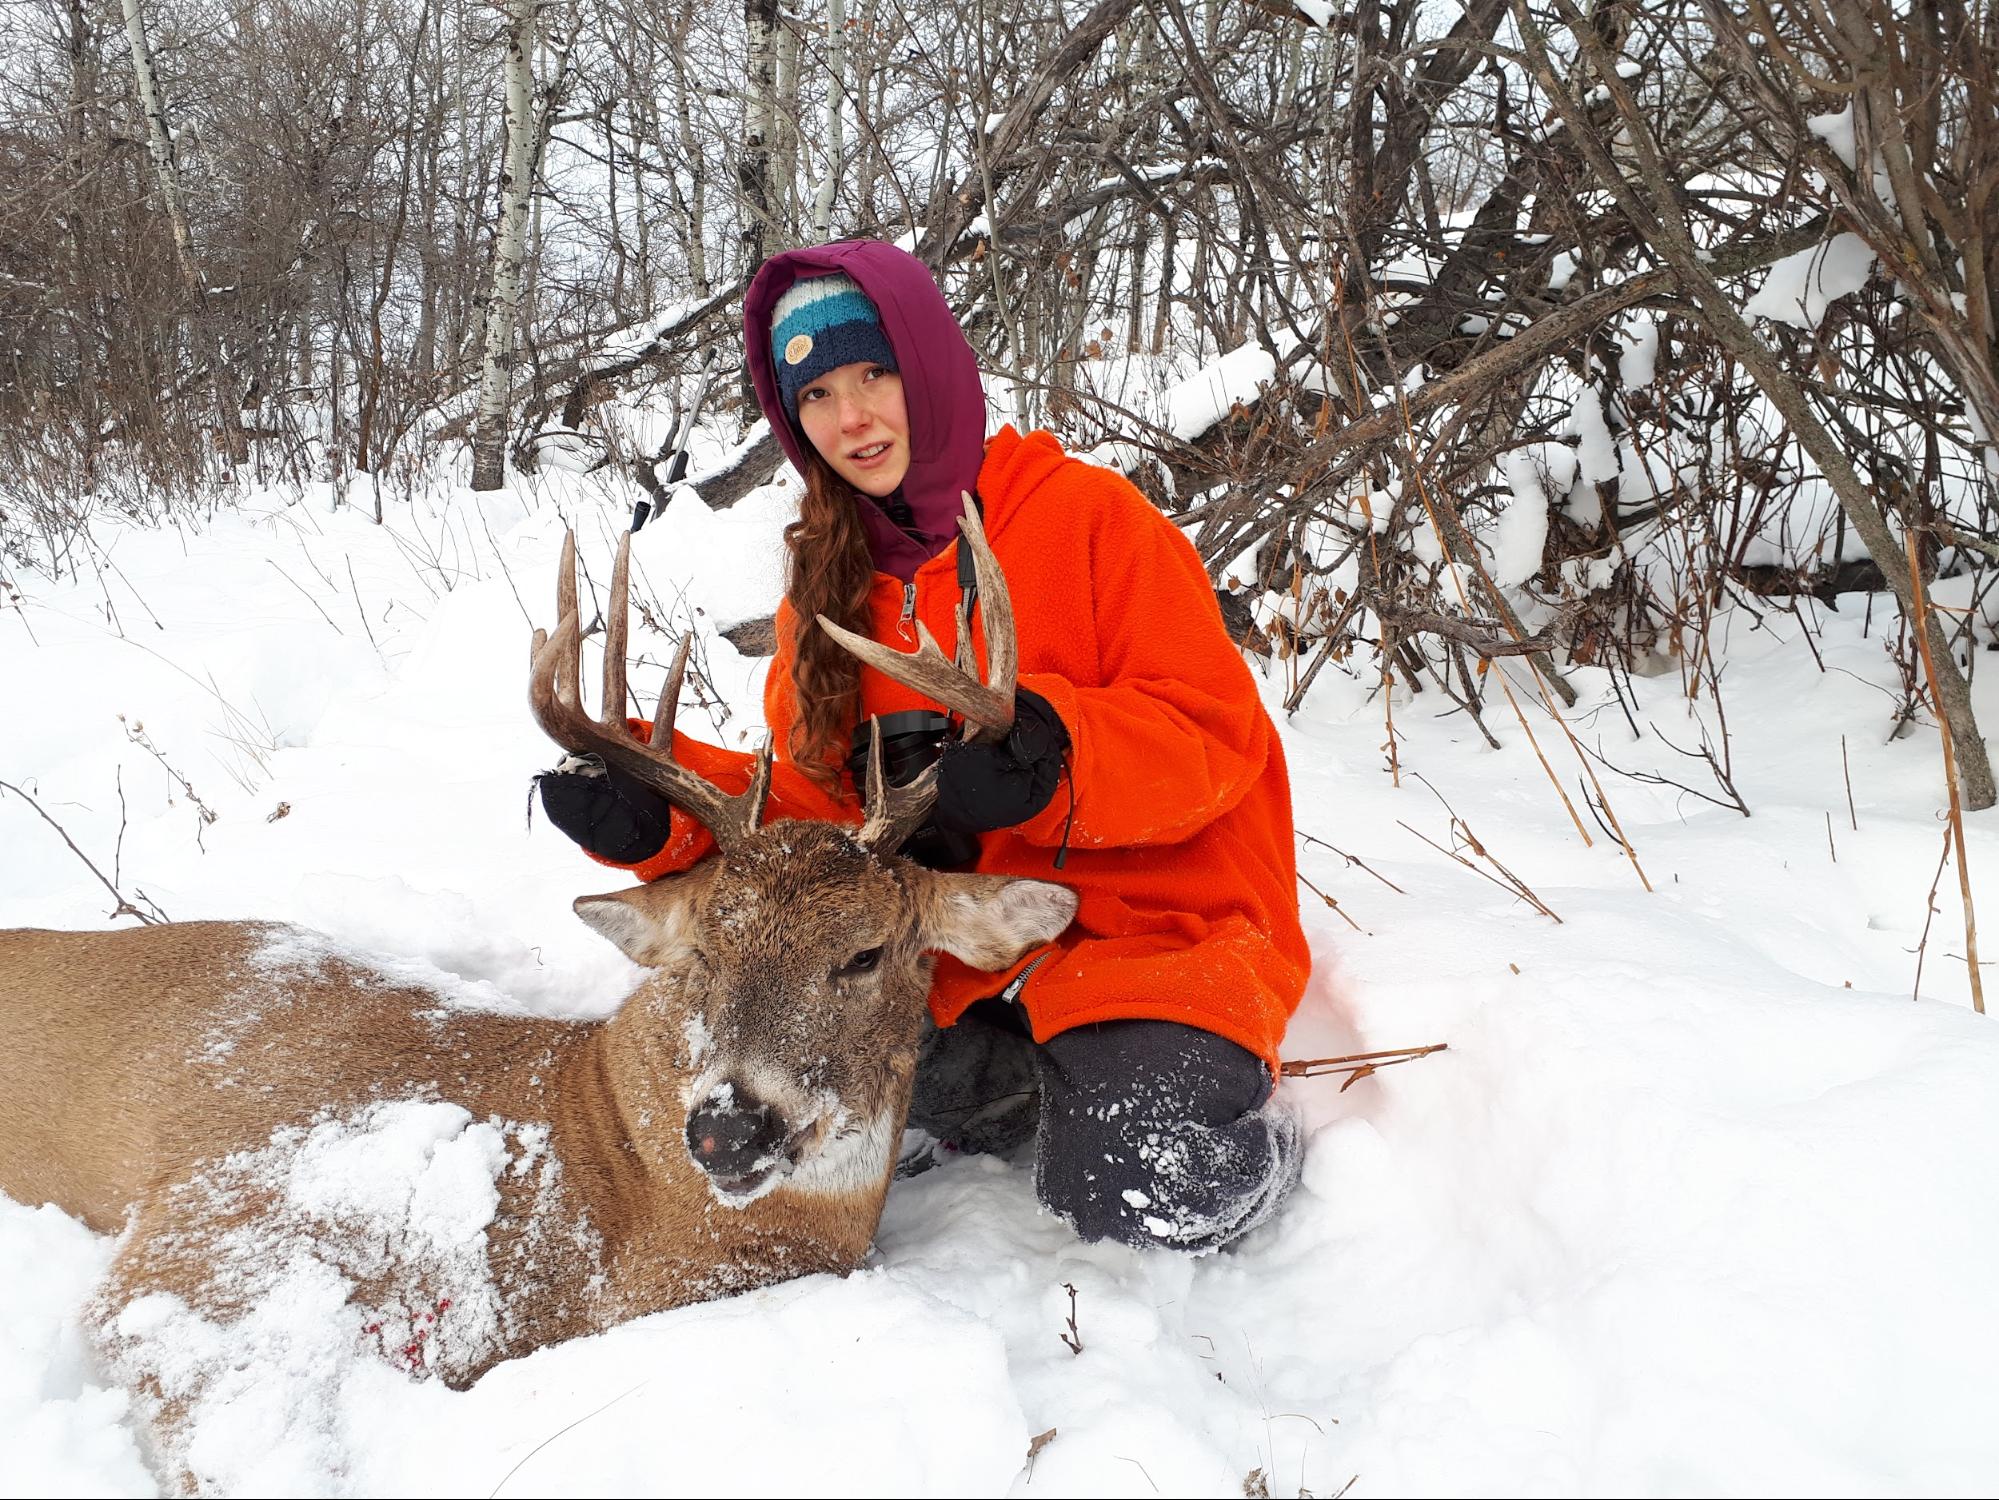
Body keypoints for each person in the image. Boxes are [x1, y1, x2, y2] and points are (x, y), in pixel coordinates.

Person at [539, 239, 1311, 1252]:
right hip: (948, 959)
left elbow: (1214, 739)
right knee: (781, 1072)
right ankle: (1016, 1100)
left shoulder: (1088, 520)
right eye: (815, 395)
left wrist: (1059, 754)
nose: (851, 417)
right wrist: (662, 814)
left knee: (1145, 1191)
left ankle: (1244, 1137)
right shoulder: (828, 583)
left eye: (875, 374)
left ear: (933, 366)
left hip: (1149, 941)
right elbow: (816, 822)